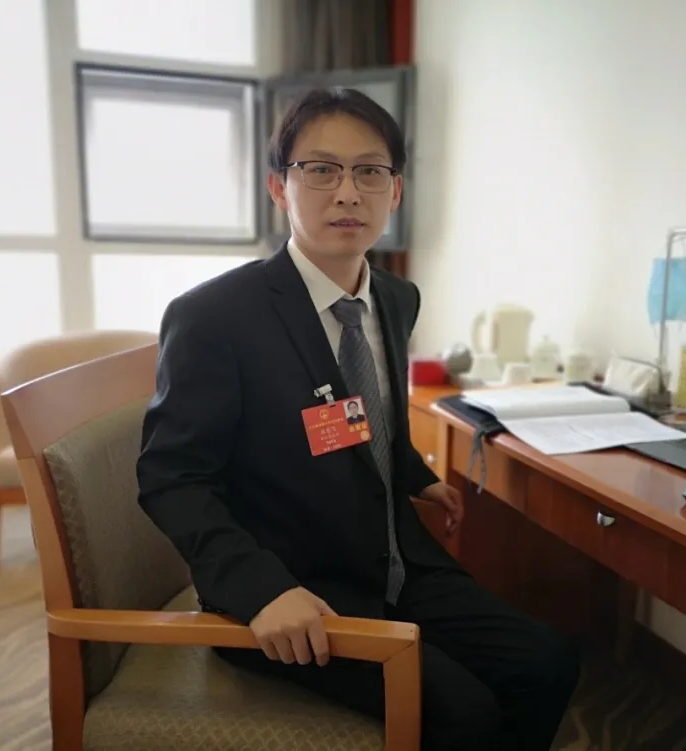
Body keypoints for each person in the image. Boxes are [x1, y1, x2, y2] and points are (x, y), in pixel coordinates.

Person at [136, 87, 579, 750]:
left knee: (548, 664)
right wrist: (261, 590)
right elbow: (173, 478)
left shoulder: (396, 298)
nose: (348, 193)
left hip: (396, 562)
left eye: (369, 171)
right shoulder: (215, 317)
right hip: (289, 593)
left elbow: (367, 416)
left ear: (394, 192)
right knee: (464, 711)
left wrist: (415, 474)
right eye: (320, 169)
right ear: (279, 188)